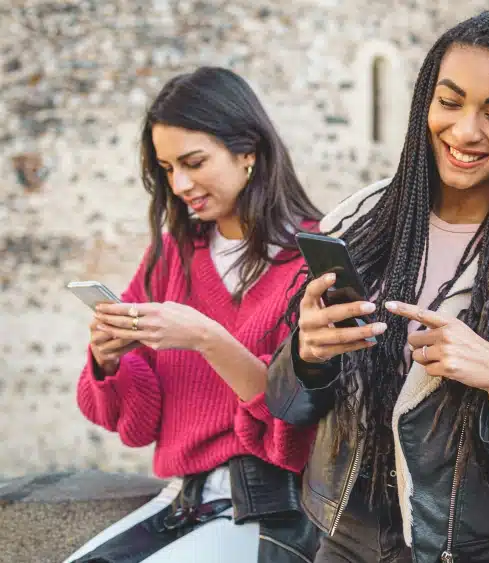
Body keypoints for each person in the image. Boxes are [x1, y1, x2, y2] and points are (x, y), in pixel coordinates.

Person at [264, 10, 489, 563]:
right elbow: (285, 406)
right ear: (425, 104)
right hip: (345, 542)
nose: (466, 131)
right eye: (450, 102)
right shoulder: (361, 219)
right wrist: (306, 353)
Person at [66, 67, 324, 563]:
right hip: (184, 501)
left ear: (248, 151)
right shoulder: (171, 257)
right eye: (166, 168)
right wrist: (109, 362)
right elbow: (138, 425)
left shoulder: (312, 264)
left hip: (272, 509)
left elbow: (298, 425)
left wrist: (207, 338)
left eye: (194, 161)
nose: (180, 184)